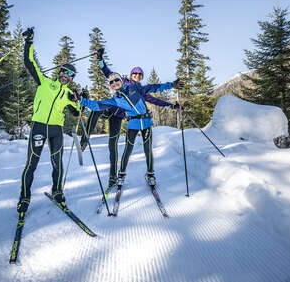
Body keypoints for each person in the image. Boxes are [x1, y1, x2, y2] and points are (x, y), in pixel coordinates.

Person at [80, 48, 179, 187]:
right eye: (135, 73)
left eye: (140, 74)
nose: (137, 75)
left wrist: (171, 95)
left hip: (140, 120)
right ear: (130, 75)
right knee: (126, 147)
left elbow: (154, 89)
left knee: (145, 149)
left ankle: (148, 174)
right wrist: (100, 60)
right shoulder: (117, 93)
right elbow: (107, 76)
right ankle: (118, 171)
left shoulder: (136, 88)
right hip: (122, 117)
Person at [16, 27, 82, 214]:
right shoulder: (44, 82)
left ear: (72, 79)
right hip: (39, 126)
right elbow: (29, 62)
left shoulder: (69, 94)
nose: (66, 76)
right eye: (64, 72)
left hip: (56, 130)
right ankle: (25, 198)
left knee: (57, 163)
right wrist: (29, 42)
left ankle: (57, 191)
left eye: (70, 75)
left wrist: (79, 99)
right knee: (32, 164)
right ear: (59, 72)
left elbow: (76, 113)